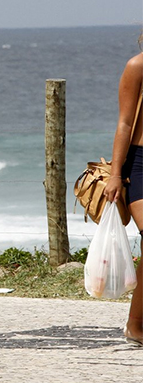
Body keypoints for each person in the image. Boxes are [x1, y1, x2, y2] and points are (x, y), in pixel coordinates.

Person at [103, 34, 143, 346]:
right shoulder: (137, 66)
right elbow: (125, 123)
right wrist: (115, 174)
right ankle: (135, 323)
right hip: (140, 165)